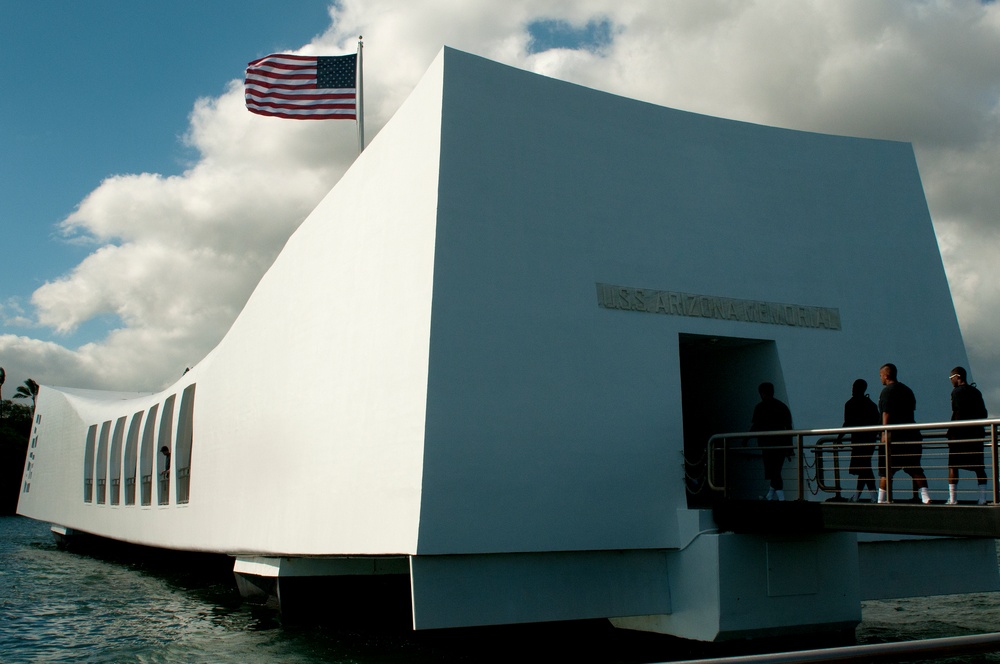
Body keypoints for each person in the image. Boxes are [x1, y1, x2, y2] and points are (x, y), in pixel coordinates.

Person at [877, 363, 930, 504]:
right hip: (911, 435)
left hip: (893, 437)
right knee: (915, 468)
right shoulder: (907, 390)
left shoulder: (887, 391)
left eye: (881, 375)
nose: (880, 378)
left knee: (886, 471)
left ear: (886, 375)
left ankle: (881, 501)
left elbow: (886, 412)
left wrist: (884, 432)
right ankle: (926, 497)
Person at [946, 366, 988, 505]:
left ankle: (952, 499)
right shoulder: (976, 392)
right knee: (979, 467)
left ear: (957, 377)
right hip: (976, 434)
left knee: (953, 465)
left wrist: (951, 432)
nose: (951, 381)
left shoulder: (956, 392)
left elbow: (957, 412)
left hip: (959, 435)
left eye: (951, 378)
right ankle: (982, 498)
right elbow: (984, 413)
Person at [751, 382, 793, 501]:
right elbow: (788, 427)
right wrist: (790, 447)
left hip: (767, 443)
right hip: (781, 444)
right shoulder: (782, 407)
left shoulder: (760, 408)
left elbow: (755, 425)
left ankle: (781, 498)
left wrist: (746, 438)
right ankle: (771, 495)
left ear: (762, 393)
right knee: (776, 470)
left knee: (773, 471)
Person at [840, 379, 880, 502]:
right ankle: (859, 495)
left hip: (858, 441)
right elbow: (877, 421)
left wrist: (839, 438)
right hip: (870, 440)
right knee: (864, 468)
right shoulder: (871, 404)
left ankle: (873, 496)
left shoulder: (850, 404)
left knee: (865, 468)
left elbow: (847, 423)